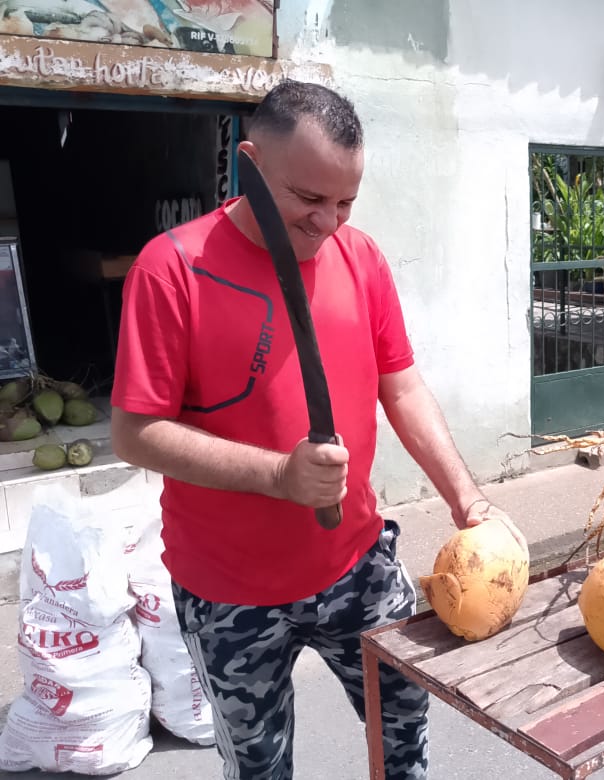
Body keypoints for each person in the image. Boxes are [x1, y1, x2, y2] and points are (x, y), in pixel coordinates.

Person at [110, 79, 526, 780]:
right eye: (309, 198)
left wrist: (467, 500)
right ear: (249, 163)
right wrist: (276, 474)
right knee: (260, 768)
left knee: (404, 740)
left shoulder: (360, 259)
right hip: (228, 593)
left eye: (345, 202)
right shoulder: (173, 268)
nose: (329, 222)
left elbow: (402, 383)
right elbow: (135, 431)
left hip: (357, 567)